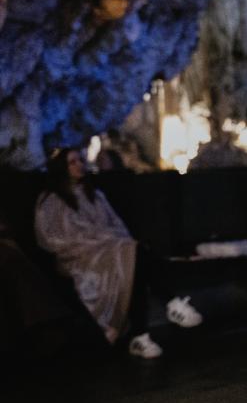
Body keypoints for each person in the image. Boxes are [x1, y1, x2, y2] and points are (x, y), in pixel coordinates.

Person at [33, 148, 202, 359]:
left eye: (80, 160)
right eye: (72, 162)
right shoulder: (51, 200)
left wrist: (112, 240)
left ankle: (141, 334)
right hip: (80, 256)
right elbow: (54, 238)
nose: (79, 165)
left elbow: (116, 225)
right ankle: (168, 304)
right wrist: (99, 240)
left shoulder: (94, 195)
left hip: (111, 248)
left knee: (132, 260)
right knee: (132, 255)